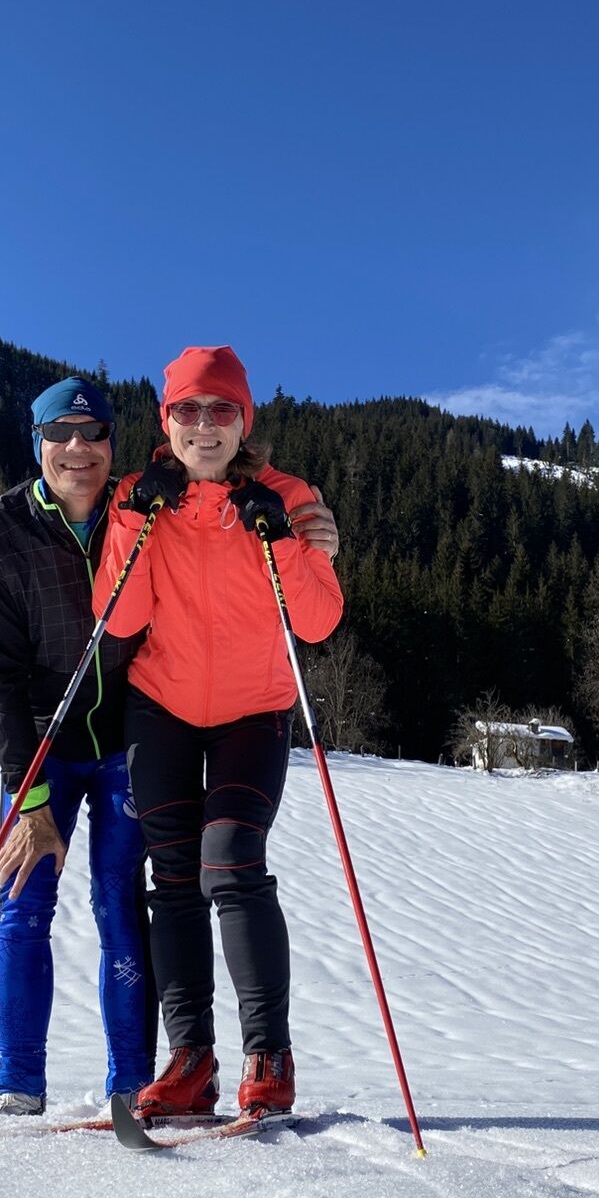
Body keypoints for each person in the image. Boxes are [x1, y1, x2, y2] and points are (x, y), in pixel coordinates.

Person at [92, 345, 343, 1120]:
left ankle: (269, 1057)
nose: (205, 426)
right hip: (160, 706)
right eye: (188, 410)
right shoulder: (137, 494)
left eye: (221, 410)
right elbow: (119, 618)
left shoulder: (288, 496)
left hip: (253, 711)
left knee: (231, 864)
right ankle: (190, 1060)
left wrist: (283, 538)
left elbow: (317, 621)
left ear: (244, 421)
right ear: (166, 420)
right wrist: (135, 517)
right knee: (172, 880)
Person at [0, 376, 157, 1113]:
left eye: (94, 432)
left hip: (127, 742)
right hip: (40, 745)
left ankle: (134, 1085)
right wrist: (29, 794)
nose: (78, 447)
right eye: (59, 434)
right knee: (25, 899)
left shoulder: (142, 515)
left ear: (112, 443)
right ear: (36, 442)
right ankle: (19, 1085)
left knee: (120, 906)